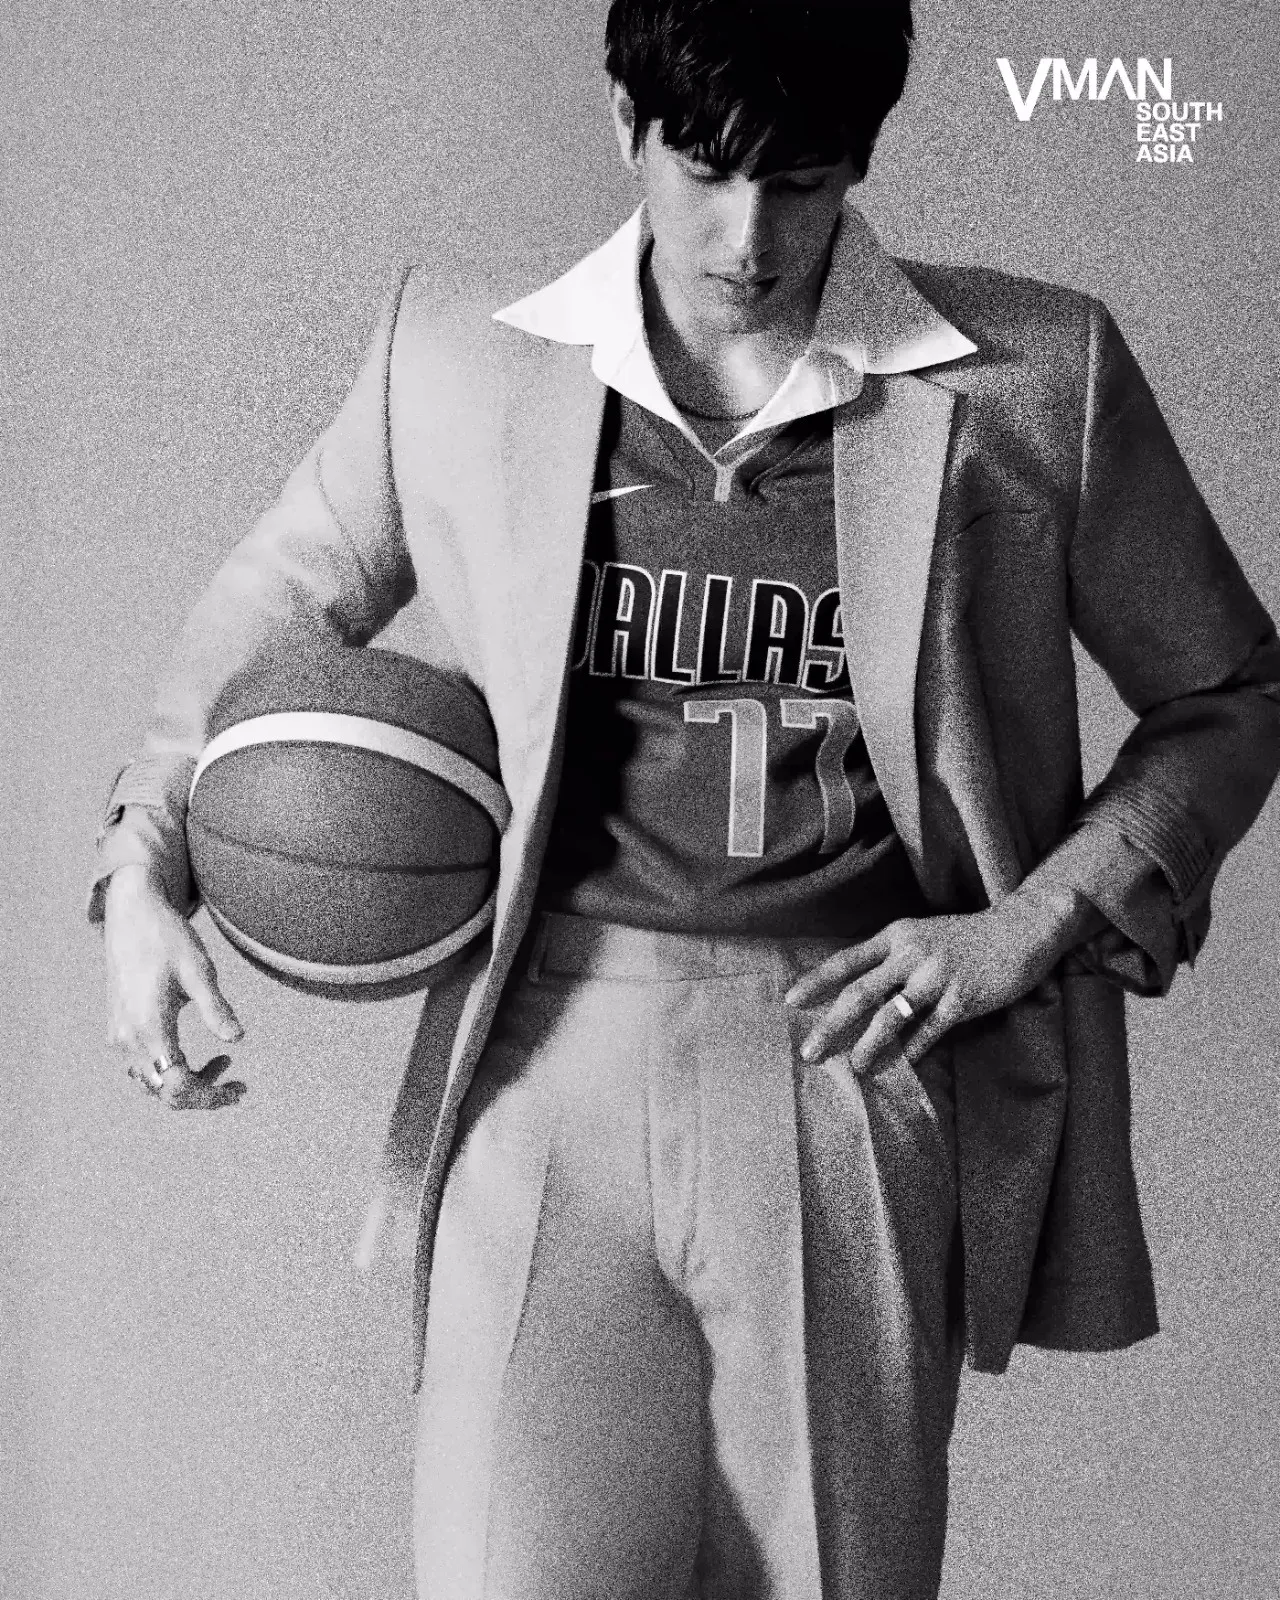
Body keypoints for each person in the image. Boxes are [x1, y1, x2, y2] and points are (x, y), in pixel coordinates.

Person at [93, 1, 1280, 1595]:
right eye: (706, 167)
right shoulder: (459, 360)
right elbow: (263, 615)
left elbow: (1231, 689)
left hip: (850, 1062)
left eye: (801, 179)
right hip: (544, 1062)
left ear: (863, 158)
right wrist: (144, 866)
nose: (747, 235)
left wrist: (1036, 922)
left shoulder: (1028, 380)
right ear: (625, 123)